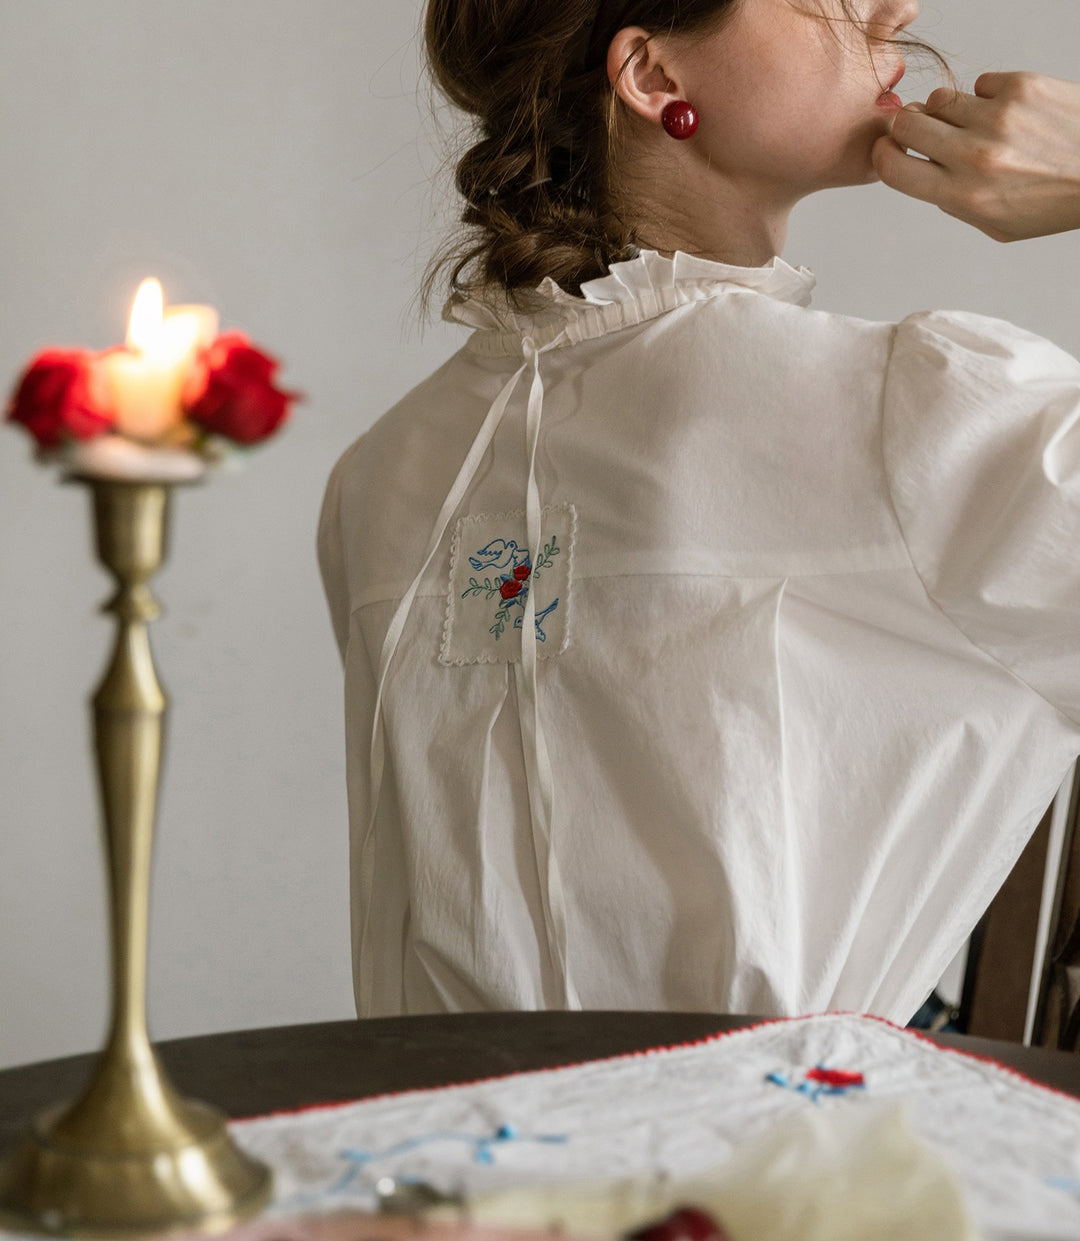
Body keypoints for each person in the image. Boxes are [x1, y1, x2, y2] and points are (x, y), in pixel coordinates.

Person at [317, 0, 1080, 1024]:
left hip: (434, 1154)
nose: (894, 7)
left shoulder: (381, 472)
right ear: (655, 79)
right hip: (789, 1169)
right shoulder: (903, 415)